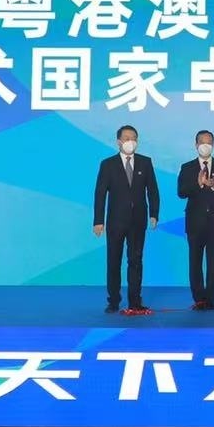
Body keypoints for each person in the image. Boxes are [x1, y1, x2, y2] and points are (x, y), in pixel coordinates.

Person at [93, 124, 160, 315]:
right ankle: (113, 301)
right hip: (115, 221)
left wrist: (154, 213)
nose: (131, 142)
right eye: (127, 138)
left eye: (134, 138)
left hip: (138, 221)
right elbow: (100, 194)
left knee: (136, 261)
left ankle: (135, 301)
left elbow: (153, 190)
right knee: (114, 261)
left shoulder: (145, 162)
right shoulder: (108, 164)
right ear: (119, 142)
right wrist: (98, 221)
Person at [176, 129, 214, 312]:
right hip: (195, 222)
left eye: (209, 142)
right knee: (195, 262)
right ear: (196, 145)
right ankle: (199, 299)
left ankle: (210, 298)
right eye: (202, 142)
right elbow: (181, 192)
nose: (206, 145)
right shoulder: (187, 167)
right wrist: (199, 183)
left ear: (213, 145)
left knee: (213, 262)